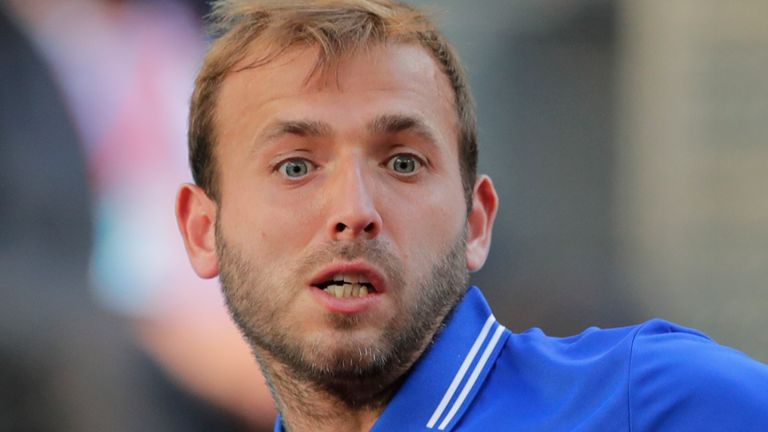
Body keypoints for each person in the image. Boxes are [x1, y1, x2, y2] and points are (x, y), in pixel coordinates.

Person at [175, 1, 768, 431]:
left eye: (404, 163)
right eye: (296, 167)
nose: (354, 212)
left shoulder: (657, 400)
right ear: (203, 231)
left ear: (477, 222)